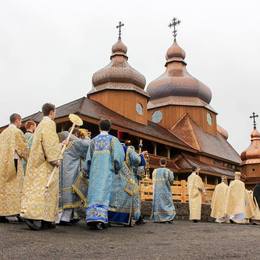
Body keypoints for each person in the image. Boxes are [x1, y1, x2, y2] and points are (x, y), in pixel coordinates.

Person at [21, 103, 63, 230]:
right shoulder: (50, 123)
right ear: (51, 112)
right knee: (45, 191)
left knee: (38, 190)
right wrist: (55, 159)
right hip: (45, 164)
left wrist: (61, 145)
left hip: (36, 162)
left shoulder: (40, 125)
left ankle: (46, 220)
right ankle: (35, 217)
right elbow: (49, 143)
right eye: (55, 112)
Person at [84, 119, 125, 230]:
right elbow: (118, 157)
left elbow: (88, 159)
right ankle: (101, 220)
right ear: (110, 128)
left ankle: (91, 218)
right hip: (107, 172)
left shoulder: (93, 141)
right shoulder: (113, 140)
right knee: (104, 194)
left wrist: (87, 171)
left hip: (94, 173)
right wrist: (117, 168)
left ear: (99, 127)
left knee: (93, 194)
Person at [108, 141, 146, 226]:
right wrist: (141, 156)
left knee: (113, 200)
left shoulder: (111, 150)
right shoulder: (128, 150)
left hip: (113, 180)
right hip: (126, 181)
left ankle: (110, 219)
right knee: (131, 198)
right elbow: (137, 160)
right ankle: (132, 218)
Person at [0, 113, 29, 223]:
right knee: (16, 187)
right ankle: (17, 212)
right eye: (20, 121)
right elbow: (23, 149)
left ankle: (2, 213)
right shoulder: (17, 132)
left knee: (3, 189)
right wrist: (30, 159)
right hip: (14, 162)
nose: (21, 123)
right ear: (17, 120)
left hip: (2, 164)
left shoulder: (3, 133)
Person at [58, 129, 90, 225]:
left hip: (60, 175)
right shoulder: (74, 145)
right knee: (70, 197)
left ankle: (59, 218)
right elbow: (88, 145)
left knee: (61, 197)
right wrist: (85, 137)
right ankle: (65, 218)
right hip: (70, 175)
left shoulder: (58, 146)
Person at [151, 158, 176, 223]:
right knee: (167, 204)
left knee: (158, 204)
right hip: (165, 191)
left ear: (159, 163)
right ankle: (168, 218)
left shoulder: (155, 171)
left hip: (157, 192)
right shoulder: (168, 171)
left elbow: (153, 181)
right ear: (166, 163)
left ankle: (158, 218)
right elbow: (171, 181)